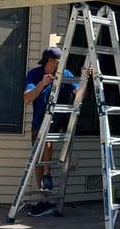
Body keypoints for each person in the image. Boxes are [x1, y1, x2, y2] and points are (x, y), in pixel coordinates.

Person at [23, 46, 86, 199]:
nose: (62, 63)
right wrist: (42, 84)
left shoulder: (65, 74)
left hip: (58, 121)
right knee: (38, 157)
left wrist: (85, 80)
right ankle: (43, 195)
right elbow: (27, 98)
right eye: (59, 60)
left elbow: (79, 95)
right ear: (50, 60)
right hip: (39, 122)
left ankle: (47, 176)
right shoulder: (35, 74)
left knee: (47, 141)